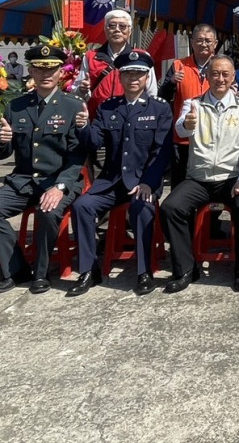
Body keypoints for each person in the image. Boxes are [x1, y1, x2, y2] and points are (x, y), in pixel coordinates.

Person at [0, 44, 86, 294]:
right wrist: (2, 140)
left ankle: (41, 273)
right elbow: (3, 153)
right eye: (39, 69)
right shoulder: (16, 106)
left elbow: (77, 155)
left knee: (47, 212)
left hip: (59, 179)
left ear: (61, 72)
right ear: (31, 71)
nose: (45, 74)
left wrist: (59, 187)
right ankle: (16, 269)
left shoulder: (72, 106)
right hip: (24, 180)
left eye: (51, 69)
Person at [70, 50, 172, 296]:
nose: (133, 79)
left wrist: (148, 182)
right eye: (128, 74)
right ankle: (88, 270)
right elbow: (94, 142)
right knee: (82, 206)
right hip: (112, 182)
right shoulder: (108, 107)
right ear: (120, 76)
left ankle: (144, 272)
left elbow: (162, 152)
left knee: (141, 207)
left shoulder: (159, 108)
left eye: (139, 74)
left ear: (146, 77)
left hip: (143, 181)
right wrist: (83, 127)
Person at [162, 55, 239, 293]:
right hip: (199, 178)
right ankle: (186, 269)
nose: (220, 79)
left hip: (231, 178)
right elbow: (181, 129)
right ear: (207, 76)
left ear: (233, 77)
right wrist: (188, 124)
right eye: (215, 73)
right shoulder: (193, 104)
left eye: (226, 74)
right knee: (170, 207)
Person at [159, 23, 217, 188]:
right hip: (183, 139)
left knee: (209, 184)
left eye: (208, 40)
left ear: (215, 43)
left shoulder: (221, 66)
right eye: (199, 40)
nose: (203, 44)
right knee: (180, 184)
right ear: (192, 42)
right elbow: (162, 97)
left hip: (212, 138)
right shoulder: (179, 65)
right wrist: (171, 82)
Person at [76, 10, 155, 115]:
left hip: (131, 117)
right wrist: (81, 89)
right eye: (112, 26)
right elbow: (76, 92)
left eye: (122, 26)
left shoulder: (142, 56)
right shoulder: (90, 56)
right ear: (105, 29)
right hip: (97, 117)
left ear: (130, 31)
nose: (117, 30)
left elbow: (151, 92)